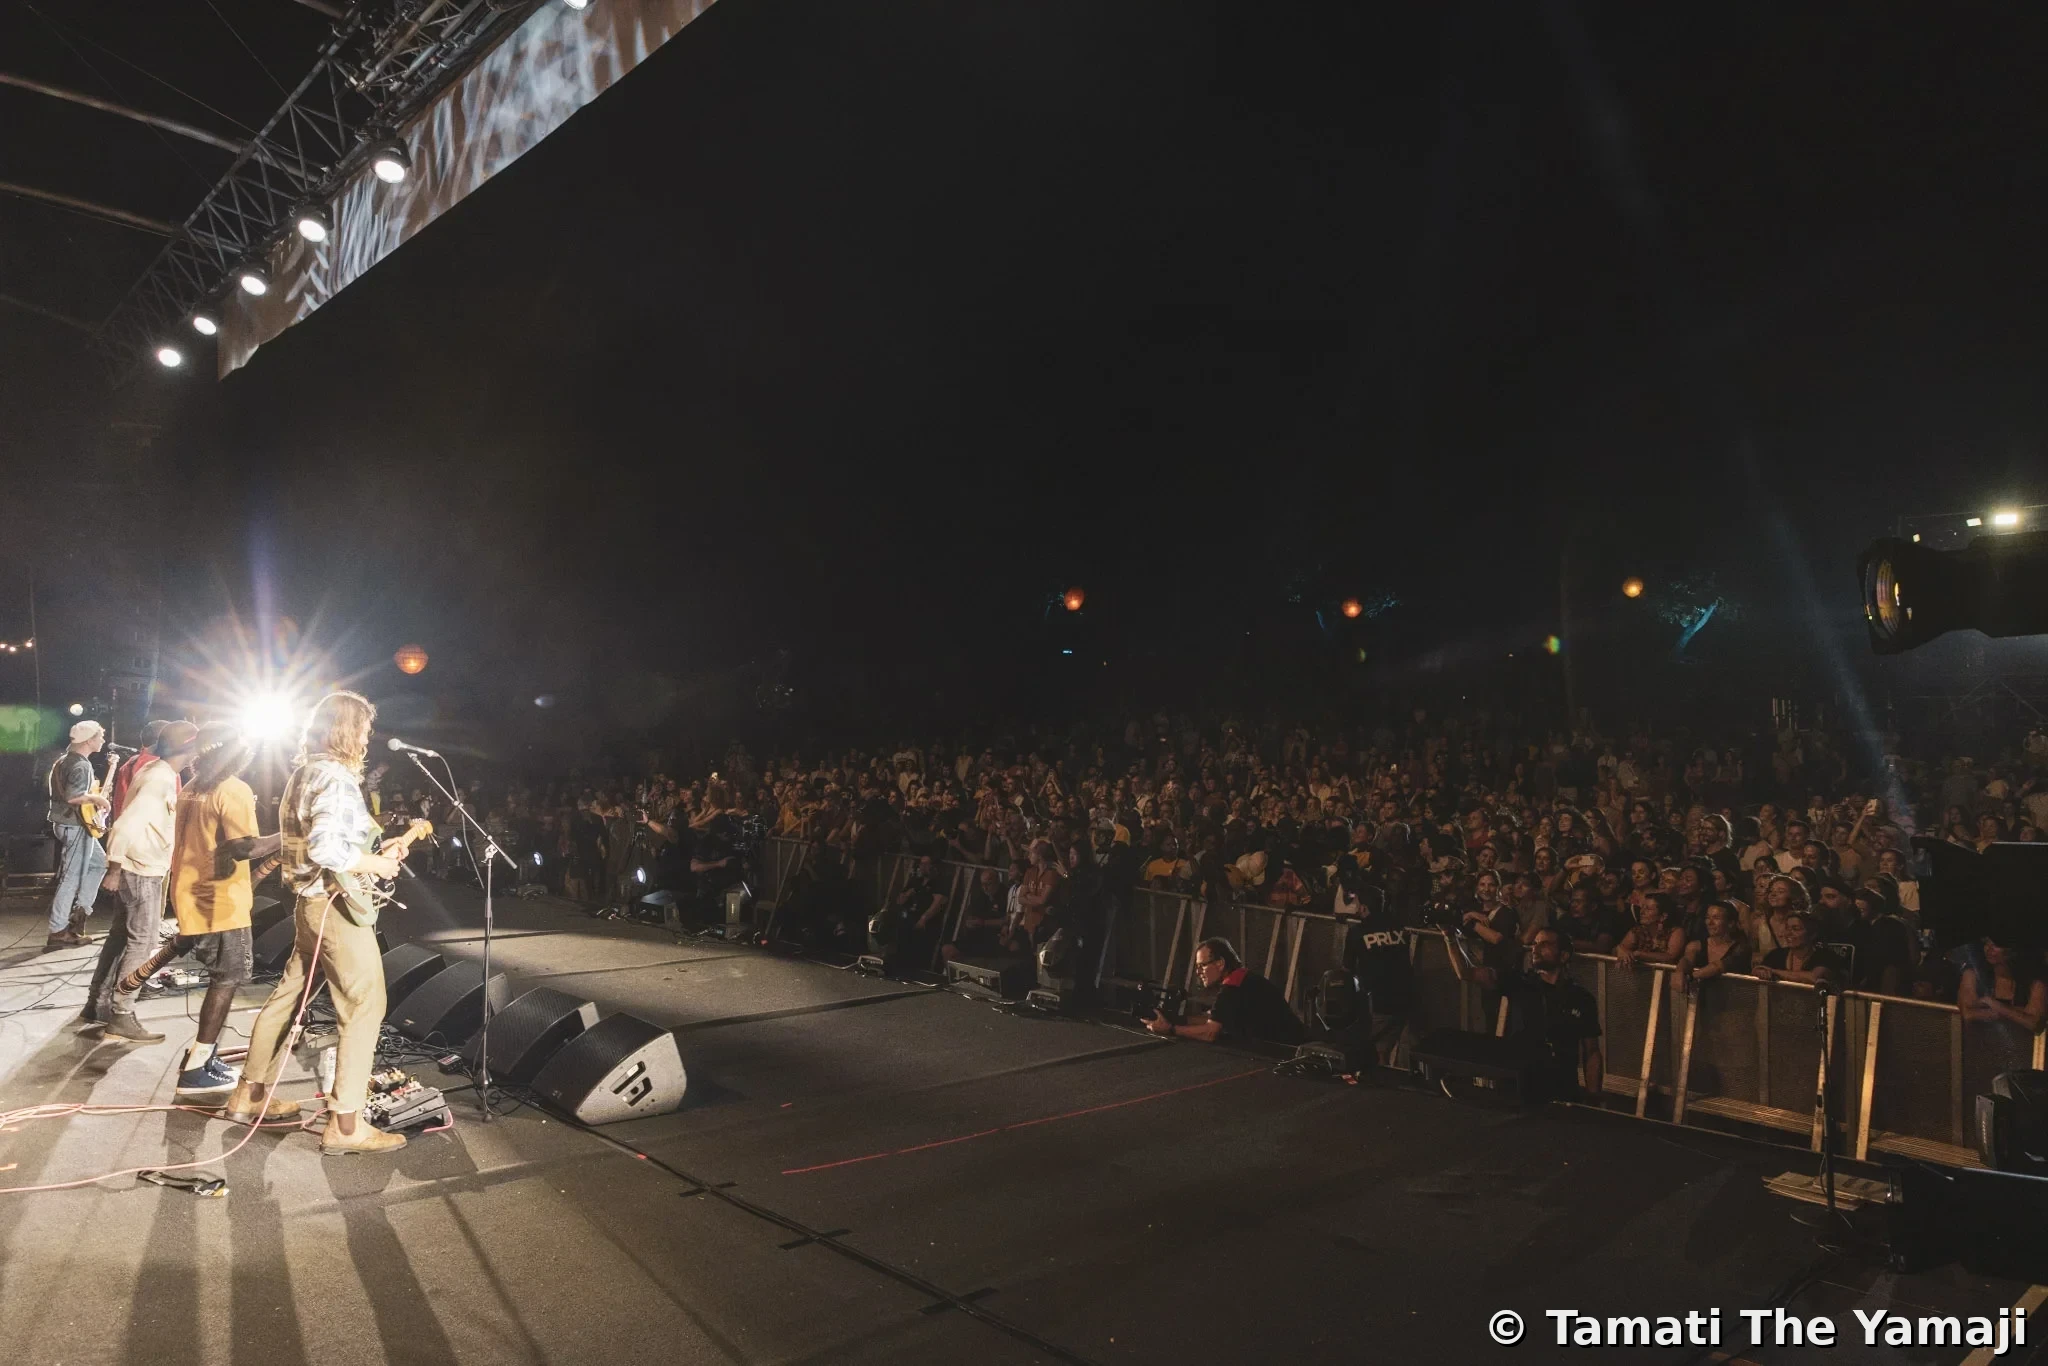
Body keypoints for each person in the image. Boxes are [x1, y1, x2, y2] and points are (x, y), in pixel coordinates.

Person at [227, 692, 410, 1156]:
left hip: (309, 907)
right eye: (364, 729)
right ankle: (347, 1124)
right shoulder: (335, 779)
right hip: (334, 912)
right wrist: (378, 865)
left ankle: (248, 1095)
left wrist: (374, 853)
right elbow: (327, 849)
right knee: (365, 1005)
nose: (368, 737)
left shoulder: (305, 773)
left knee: (288, 997)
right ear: (347, 729)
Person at [165, 724, 277, 1097]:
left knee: (221, 977)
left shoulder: (193, 786)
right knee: (226, 979)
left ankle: (205, 1057)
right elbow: (244, 847)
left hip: (190, 893)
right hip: (221, 900)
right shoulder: (232, 788)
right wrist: (292, 832)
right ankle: (196, 1069)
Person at [85, 721, 199, 1042]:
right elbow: (127, 824)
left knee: (121, 935)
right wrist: (115, 866)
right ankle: (122, 1012)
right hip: (141, 868)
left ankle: (97, 1003)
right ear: (186, 748)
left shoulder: (160, 773)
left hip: (140, 865)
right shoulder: (160, 778)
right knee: (143, 941)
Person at [1484, 927, 1603, 1102]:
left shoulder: (1581, 998)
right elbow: (1467, 973)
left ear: (1564, 955)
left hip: (1561, 1088)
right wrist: (1450, 937)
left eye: (1544, 944)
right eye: (1534, 943)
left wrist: (1594, 1098)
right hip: (1518, 1086)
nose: (1535, 949)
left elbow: (1591, 1051)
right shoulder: (1520, 984)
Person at [1146, 936, 1304, 1046]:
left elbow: (1209, 1033)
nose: (1198, 972)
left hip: (1287, 1050)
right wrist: (1176, 1019)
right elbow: (1214, 1017)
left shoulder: (1233, 986)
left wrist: (1171, 1029)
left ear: (1220, 963)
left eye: (1202, 965)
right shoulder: (1243, 978)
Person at [45, 719, 110, 950]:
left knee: (100, 864)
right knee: (71, 878)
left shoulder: (64, 760)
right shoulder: (81, 765)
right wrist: (99, 799)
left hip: (67, 824)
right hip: (75, 825)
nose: (103, 740)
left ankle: (80, 914)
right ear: (90, 739)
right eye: (100, 736)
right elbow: (74, 797)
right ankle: (58, 930)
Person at [1682, 900, 1752, 990]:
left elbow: (1718, 966)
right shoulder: (1695, 945)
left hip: (1733, 999)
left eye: (1716, 918)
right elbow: (1687, 960)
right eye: (1707, 917)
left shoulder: (1742, 948)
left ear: (1730, 923)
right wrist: (1679, 971)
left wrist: (1690, 977)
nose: (1710, 923)